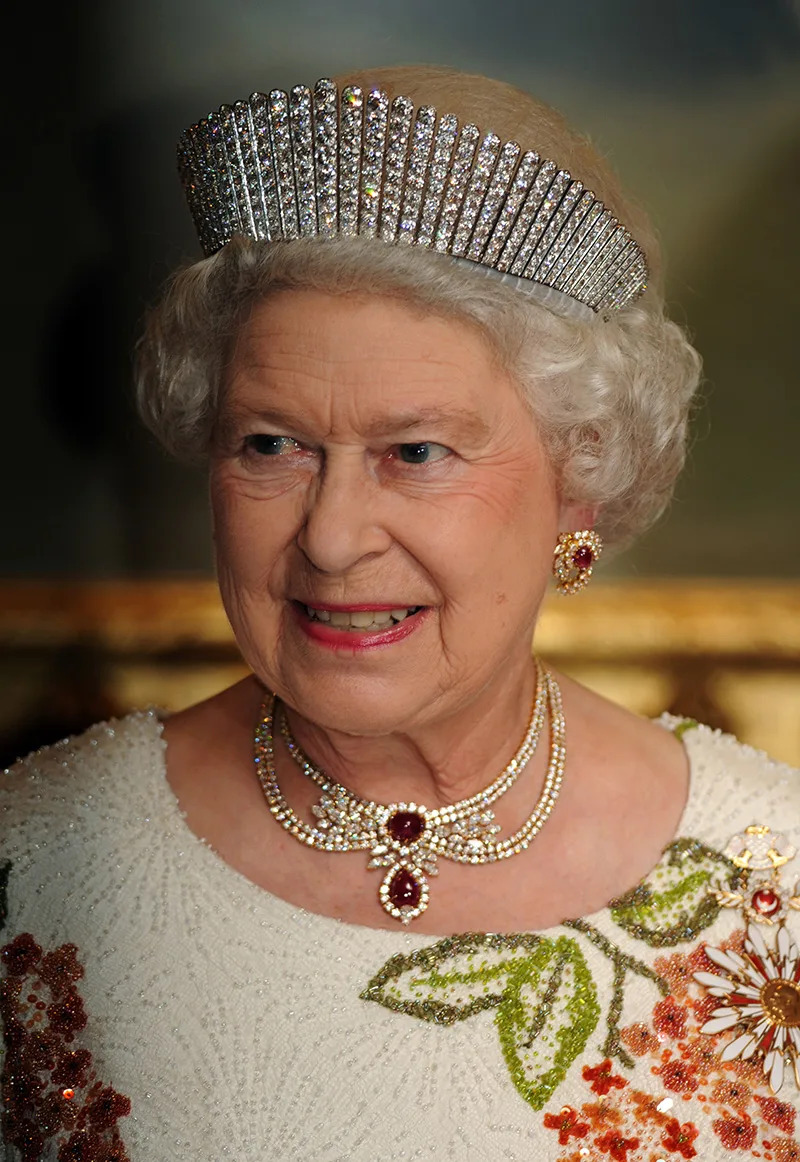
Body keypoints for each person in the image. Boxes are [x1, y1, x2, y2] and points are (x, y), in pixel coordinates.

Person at [2, 66, 798, 1162]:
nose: (331, 537)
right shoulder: (30, 869)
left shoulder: (778, 887)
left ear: (580, 475)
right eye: (269, 445)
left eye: (414, 452)